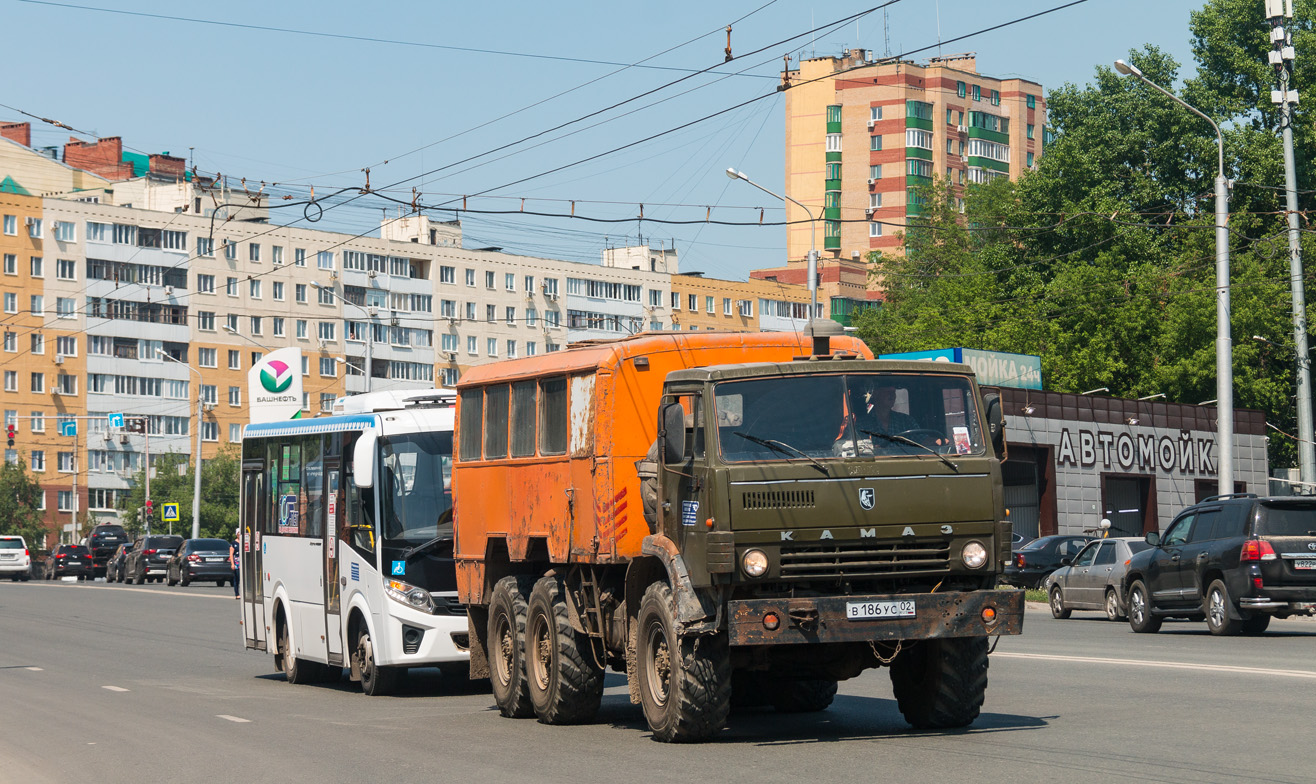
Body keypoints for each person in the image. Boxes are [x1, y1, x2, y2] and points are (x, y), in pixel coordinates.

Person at [855, 383, 919, 436]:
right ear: (876, 394)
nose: (892, 395)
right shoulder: (861, 424)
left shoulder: (907, 421)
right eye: (888, 392)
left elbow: (923, 440)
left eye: (893, 392)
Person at [230, 531, 240, 599]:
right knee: (237, 579)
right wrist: (232, 564)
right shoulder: (233, 543)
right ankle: (237, 593)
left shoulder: (245, 542)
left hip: (243, 562)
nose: (240, 534)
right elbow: (231, 554)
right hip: (236, 563)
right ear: (236, 534)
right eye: (238, 533)